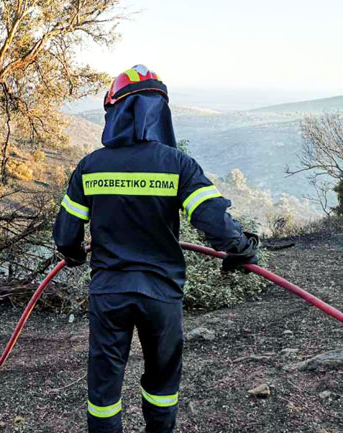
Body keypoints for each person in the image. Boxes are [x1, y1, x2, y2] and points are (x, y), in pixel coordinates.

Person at [53, 65, 259, 433]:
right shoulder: (177, 164)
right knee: (163, 385)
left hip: (109, 293)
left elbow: (67, 236)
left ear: (114, 111)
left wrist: (74, 254)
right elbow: (214, 220)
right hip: (161, 295)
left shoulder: (90, 167)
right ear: (158, 113)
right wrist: (241, 248)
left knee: (104, 389)